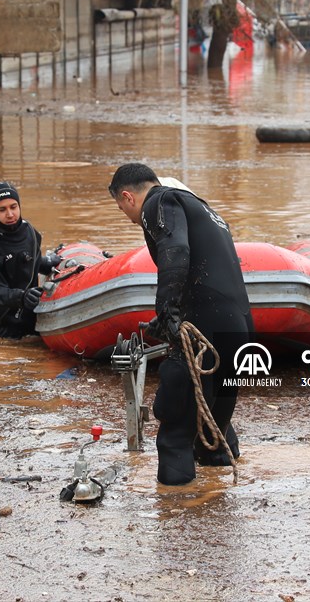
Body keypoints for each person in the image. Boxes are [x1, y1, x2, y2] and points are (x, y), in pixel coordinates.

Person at [108, 163, 254, 485]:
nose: (128, 216)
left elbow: (176, 249)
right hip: (239, 323)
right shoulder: (201, 206)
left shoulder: (157, 203)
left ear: (128, 197)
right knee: (213, 421)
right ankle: (217, 489)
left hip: (205, 323)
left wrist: (168, 310)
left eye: (122, 209)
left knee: (175, 421)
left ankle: (174, 505)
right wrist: (168, 317)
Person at [0, 181, 60, 339]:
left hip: (32, 319)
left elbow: (33, 262)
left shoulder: (30, 232)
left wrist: (50, 263)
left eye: (13, 207)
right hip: (2, 327)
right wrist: (22, 297)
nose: (10, 214)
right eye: (2, 209)